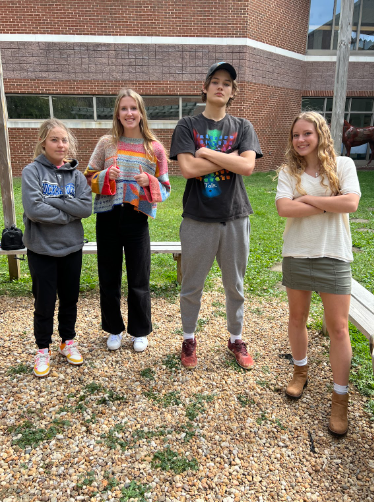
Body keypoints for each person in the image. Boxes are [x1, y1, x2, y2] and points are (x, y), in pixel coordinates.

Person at [169, 62, 263, 370]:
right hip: (197, 218)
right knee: (191, 285)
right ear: (206, 88)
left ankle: (236, 339)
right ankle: (188, 339)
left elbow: (248, 167)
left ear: (233, 92)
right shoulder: (187, 126)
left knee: (235, 284)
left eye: (227, 83)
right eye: (215, 82)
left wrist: (206, 153)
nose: (220, 87)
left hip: (235, 217)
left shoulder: (243, 127)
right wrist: (230, 158)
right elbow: (188, 169)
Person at [275, 111, 361, 436]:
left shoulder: (343, 166)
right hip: (296, 253)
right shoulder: (287, 171)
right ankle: (300, 372)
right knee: (296, 319)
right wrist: (329, 201)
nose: (300, 140)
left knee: (338, 328)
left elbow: (351, 203)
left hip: (334, 255)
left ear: (320, 134)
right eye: (296, 135)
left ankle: (340, 397)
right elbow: (284, 208)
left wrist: (308, 199)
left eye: (306, 133)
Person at [84, 89, 170, 353]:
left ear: (141, 112)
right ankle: (113, 328)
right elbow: (89, 177)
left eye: (134, 108)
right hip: (108, 216)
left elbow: (165, 189)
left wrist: (150, 182)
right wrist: (107, 174)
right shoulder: (106, 143)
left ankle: (140, 331)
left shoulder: (154, 148)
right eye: (124, 109)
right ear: (117, 113)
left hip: (136, 218)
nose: (129, 113)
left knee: (139, 277)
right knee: (108, 276)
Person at [22, 118, 92, 378]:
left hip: (71, 248)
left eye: (64, 140)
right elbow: (34, 209)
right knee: (44, 302)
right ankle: (43, 349)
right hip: (42, 249)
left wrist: (55, 199)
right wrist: (68, 212)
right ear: (43, 143)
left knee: (70, 299)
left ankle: (67, 341)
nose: (60, 144)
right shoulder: (32, 172)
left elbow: (86, 208)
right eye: (54, 139)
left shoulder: (77, 175)